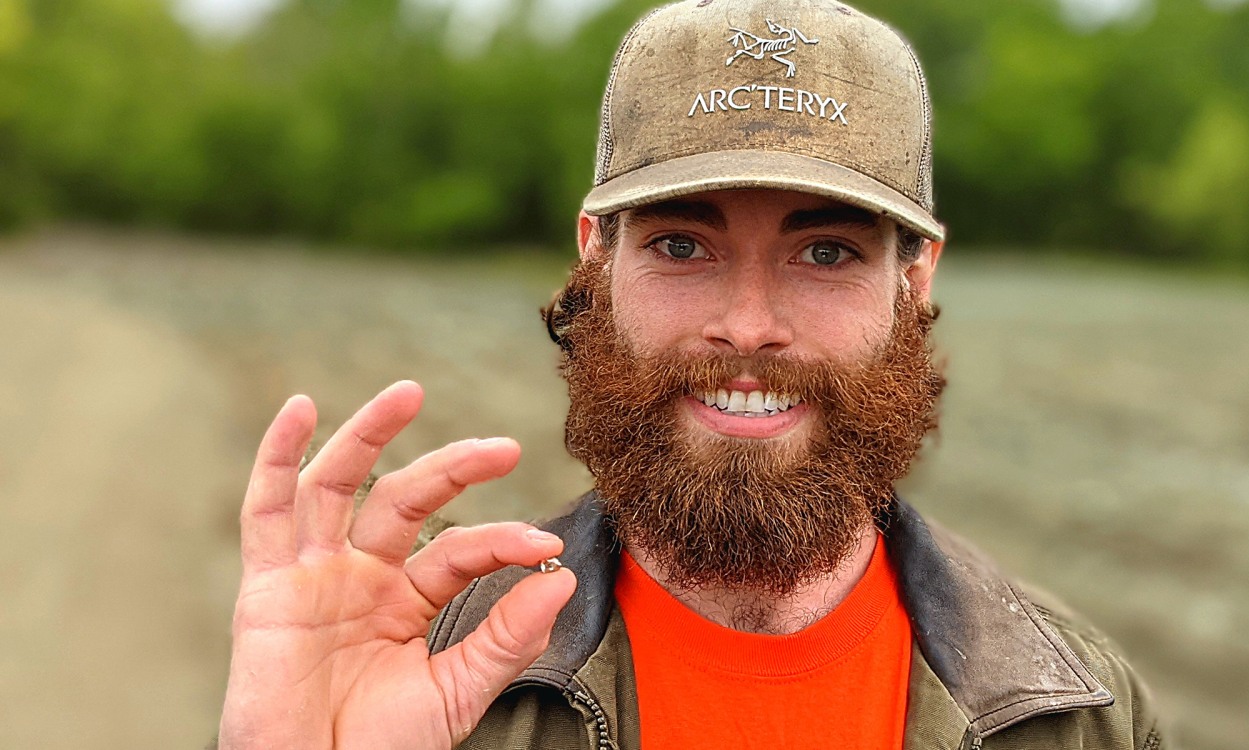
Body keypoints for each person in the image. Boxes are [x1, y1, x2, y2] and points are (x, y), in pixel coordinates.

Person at [217, 0, 1166, 747]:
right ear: (596, 259)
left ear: (913, 282)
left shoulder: (1079, 716)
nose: (748, 327)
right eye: (682, 244)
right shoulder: (437, 676)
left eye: (826, 253)